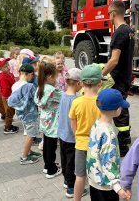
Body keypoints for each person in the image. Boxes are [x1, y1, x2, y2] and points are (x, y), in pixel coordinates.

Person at [101, 0, 135, 157]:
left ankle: (122, 146)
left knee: (118, 110)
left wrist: (100, 74)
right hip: (125, 77)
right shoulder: (129, 30)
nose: (109, 17)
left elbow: (114, 60)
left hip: (116, 78)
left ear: (113, 14)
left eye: (109, 14)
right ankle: (124, 141)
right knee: (122, 109)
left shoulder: (119, 32)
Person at [87, 88, 131, 201]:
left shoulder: (96, 124)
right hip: (106, 186)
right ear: (117, 110)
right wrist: (118, 188)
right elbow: (108, 162)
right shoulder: (109, 134)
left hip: (94, 180)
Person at [69, 64, 103, 201]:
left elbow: (73, 125)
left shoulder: (76, 102)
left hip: (81, 145)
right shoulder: (101, 103)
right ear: (100, 83)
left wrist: (78, 138)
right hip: (98, 146)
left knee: (80, 177)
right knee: (97, 176)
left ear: (81, 83)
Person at [34, 62, 64, 179]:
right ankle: (51, 170)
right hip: (53, 122)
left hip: (45, 120)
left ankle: (47, 165)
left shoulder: (40, 87)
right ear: (51, 77)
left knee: (47, 144)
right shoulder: (52, 90)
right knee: (51, 146)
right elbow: (65, 97)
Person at [7, 64, 42, 164]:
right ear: (30, 74)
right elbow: (36, 100)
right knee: (31, 135)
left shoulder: (15, 85)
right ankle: (25, 157)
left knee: (28, 133)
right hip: (30, 115)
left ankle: (29, 151)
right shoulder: (29, 87)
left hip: (21, 115)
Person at [57, 68, 82, 197]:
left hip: (61, 134)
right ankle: (71, 188)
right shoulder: (75, 101)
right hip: (71, 136)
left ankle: (66, 180)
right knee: (72, 161)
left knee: (64, 158)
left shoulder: (62, 95)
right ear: (78, 83)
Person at [0, 58, 19, 134]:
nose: (8, 67)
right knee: (9, 113)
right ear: (0, 69)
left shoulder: (9, 74)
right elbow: (6, 90)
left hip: (11, 96)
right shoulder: (3, 77)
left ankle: (9, 125)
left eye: (8, 65)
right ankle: (7, 128)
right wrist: (11, 97)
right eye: (5, 66)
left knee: (11, 112)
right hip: (8, 97)